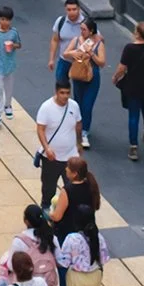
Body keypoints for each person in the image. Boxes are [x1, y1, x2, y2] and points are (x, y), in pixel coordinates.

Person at [55, 174, 109, 286]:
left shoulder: (72, 238)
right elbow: (105, 258)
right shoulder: (98, 237)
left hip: (77, 278)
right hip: (94, 276)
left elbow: (63, 262)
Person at [34, 78, 83, 207]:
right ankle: (46, 213)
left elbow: (78, 125)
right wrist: (47, 148)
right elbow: (40, 129)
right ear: (56, 92)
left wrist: (79, 143)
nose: (65, 96)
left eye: (67, 93)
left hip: (71, 157)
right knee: (48, 190)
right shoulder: (46, 108)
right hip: (52, 158)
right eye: (62, 93)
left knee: (73, 190)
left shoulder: (74, 106)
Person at [59, 16, 107, 143]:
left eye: (84, 29)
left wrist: (92, 54)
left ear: (91, 31)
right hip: (78, 75)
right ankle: (77, 128)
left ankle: (85, 131)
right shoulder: (76, 40)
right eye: (81, 29)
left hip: (92, 76)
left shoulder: (98, 44)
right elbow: (65, 53)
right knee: (78, 103)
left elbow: (102, 62)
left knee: (87, 105)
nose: (81, 32)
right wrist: (73, 53)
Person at [113, 21, 144, 161]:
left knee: (133, 116)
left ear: (137, 33)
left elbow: (122, 68)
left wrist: (115, 77)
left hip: (132, 86)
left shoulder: (129, 48)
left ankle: (133, 146)